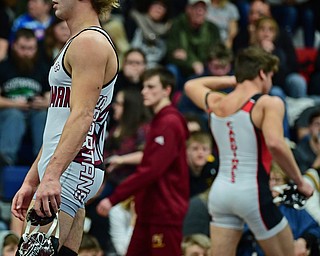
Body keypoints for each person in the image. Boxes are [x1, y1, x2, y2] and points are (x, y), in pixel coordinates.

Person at [11, 1, 119, 256]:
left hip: (71, 167)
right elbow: (59, 122)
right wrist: (32, 179)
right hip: (70, 166)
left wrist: (51, 176)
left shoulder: (89, 42)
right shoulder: (80, 40)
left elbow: (82, 116)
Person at [184, 46, 314, 256]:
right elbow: (275, 143)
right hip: (252, 193)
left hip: (221, 194)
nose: (270, 82)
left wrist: (236, 80)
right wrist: (299, 182)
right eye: (270, 76)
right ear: (263, 73)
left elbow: (192, 85)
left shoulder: (217, 102)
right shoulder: (268, 103)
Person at [96, 67, 190, 256]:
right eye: (143, 86)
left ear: (167, 90)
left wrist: (114, 198)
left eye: (150, 86)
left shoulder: (169, 122)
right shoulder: (159, 121)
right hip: (149, 210)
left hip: (164, 212)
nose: (143, 91)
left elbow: (151, 170)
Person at [0, 28, 50, 166]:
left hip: (35, 112)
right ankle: (5, 160)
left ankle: (43, 162)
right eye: (23, 48)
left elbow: (51, 98)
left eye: (31, 48)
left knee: (42, 115)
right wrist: (15, 104)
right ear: (14, 45)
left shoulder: (43, 68)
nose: (27, 53)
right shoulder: (3, 67)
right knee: (13, 115)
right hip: (9, 113)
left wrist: (44, 103)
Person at [165, 0, 221, 90]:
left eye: (203, 9)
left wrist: (188, 57)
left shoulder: (212, 29)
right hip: (182, 69)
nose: (200, 12)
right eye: (196, 8)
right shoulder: (177, 24)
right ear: (188, 9)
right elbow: (172, 54)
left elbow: (216, 53)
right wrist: (192, 63)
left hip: (205, 69)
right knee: (171, 69)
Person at [186, 131, 217, 198]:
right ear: (187, 151)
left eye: (204, 149)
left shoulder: (214, 170)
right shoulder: (179, 173)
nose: (200, 153)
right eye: (195, 149)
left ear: (210, 152)